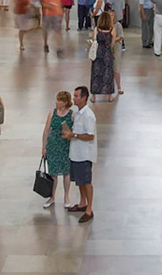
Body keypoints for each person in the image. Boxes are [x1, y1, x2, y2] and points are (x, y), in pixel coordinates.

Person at [66, 85, 98, 223]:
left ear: (84, 98)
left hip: (84, 154)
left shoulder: (88, 115)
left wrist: (74, 135)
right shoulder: (78, 113)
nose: (74, 98)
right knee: (79, 181)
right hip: (76, 153)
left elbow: (90, 136)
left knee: (86, 182)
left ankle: (89, 209)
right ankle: (82, 202)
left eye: (76, 96)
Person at [42, 90, 76, 208]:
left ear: (65, 102)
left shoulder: (72, 114)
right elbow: (46, 130)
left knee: (66, 172)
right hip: (53, 145)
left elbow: (74, 131)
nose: (57, 102)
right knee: (53, 173)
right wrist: (44, 146)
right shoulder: (52, 113)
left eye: (60, 100)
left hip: (65, 146)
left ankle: (66, 196)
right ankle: (52, 197)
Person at [89, 11, 120, 101]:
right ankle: (109, 95)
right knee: (108, 73)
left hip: (98, 53)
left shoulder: (96, 30)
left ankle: (94, 96)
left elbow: (94, 40)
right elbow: (112, 43)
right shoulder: (112, 30)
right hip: (107, 53)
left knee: (96, 73)